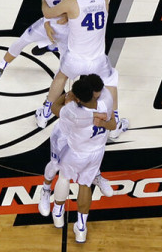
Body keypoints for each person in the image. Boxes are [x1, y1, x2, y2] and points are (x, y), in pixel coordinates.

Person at [36, 0, 129, 140]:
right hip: (98, 59)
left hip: (75, 59)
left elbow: (49, 13)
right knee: (111, 82)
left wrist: (44, 0)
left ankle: (45, 112)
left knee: (60, 77)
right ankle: (114, 125)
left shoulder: (71, 4)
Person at [46, 78, 116, 243]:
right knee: (85, 184)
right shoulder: (106, 100)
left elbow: (55, 108)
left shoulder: (73, 111)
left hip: (76, 152)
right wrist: (102, 122)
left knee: (64, 177)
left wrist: (66, 96)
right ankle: (81, 228)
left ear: (77, 98)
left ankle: (57, 212)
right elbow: (113, 125)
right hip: (96, 152)